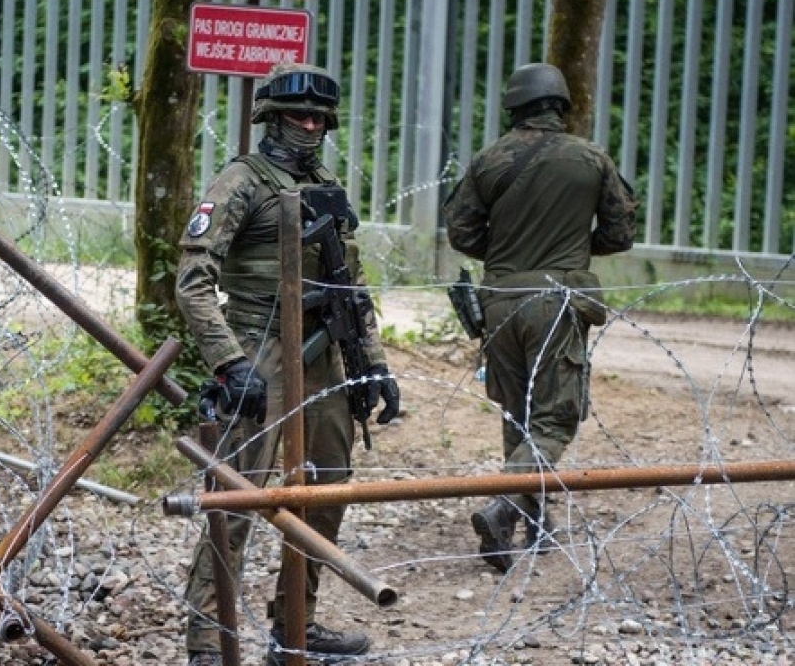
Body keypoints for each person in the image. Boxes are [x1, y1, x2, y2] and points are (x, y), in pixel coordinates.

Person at [175, 62, 400, 666]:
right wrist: (229, 362)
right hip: (261, 347)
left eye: (319, 118)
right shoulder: (241, 182)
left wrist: (373, 364)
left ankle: (294, 625)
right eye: (298, 115)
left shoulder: (326, 180)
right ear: (270, 118)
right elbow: (193, 281)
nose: (310, 125)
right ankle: (206, 641)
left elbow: (350, 285)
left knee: (327, 492)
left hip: (327, 352)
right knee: (236, 501)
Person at [442, 62, 637, 573]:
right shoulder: (590, 158)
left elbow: (461, 232)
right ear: (560, 106)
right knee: (556, 416)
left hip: (500, 300)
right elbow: (620, 232)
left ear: (514, 106)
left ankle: (534, 522)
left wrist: (507, 251)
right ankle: (505, 504)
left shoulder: (489, 160)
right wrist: (572, 249)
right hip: (557, 299)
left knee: (517, 410)